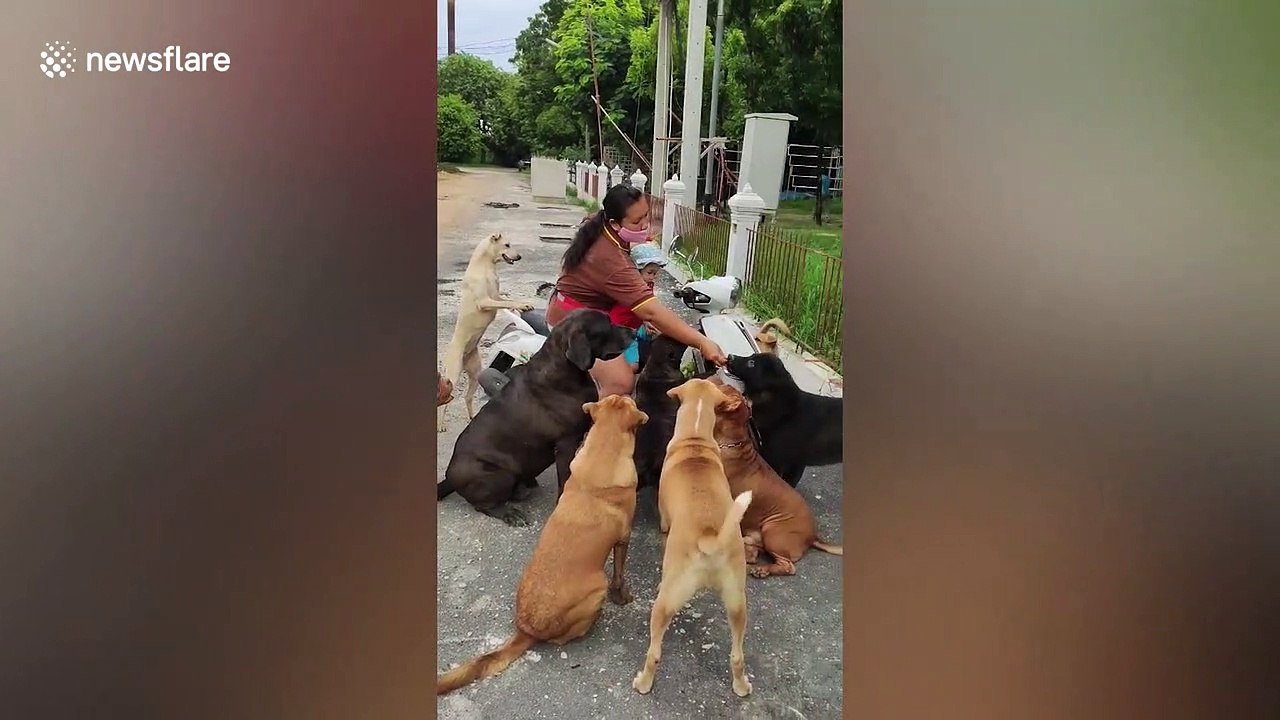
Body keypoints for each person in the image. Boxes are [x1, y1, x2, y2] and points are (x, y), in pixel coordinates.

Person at [546, 184, 727, 396]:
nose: (645, 225)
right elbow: (651, 310)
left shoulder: (601, 229)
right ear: (614, 223)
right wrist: (701, 341)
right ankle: (593, 426)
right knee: (621, 382)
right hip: (574, 324)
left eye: (646, 216)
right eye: (636, 221)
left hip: (586, 313)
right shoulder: (611, 260)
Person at [608, 242, 669, 371]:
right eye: (650, 273)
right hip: (622, 329)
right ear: (636, 271)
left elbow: (647, 306)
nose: (653, 277)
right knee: (633, 367)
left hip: (637, 324)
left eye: (655, 273)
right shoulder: (629, 287)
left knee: (660, 334)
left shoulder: (648, 284)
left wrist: (646, 321)